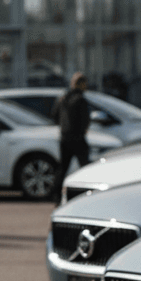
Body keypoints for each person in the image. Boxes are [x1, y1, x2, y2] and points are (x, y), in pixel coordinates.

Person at [52, 72, 91, 200]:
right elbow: (85, 120)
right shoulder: (81, 99)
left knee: (62, 167)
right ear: (81, 84)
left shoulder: (63, 98)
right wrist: (83, 130)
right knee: (85, 167)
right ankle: (88, 191)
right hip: (78, 138)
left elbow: (55, 116)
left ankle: (56, 195)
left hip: (64, 138)